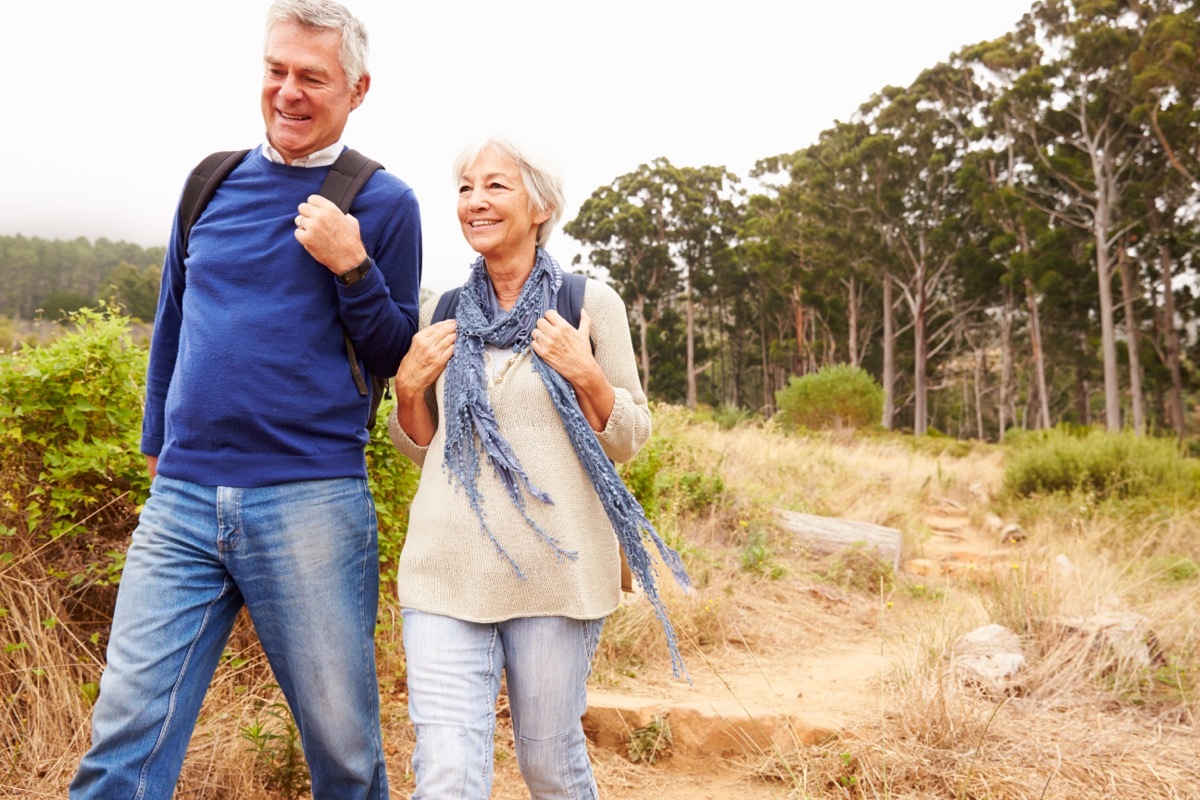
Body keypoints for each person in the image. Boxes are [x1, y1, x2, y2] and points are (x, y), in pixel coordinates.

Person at [70, 1, 421, 798]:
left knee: (345, 755)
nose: (288, 91)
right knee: (122, 741)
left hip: (310, 498)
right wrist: (157, 452)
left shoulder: (384, 201)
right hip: (183, 501)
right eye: (276, 70)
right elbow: (171, 323)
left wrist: (353, 267)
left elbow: (397, 356)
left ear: (357, 89)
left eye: (312, 78)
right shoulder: (210, 182)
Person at [388, 134, 689, 799]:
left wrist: (586, 373)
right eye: (465, 188)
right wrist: (408, 390)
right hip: (445, 574)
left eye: (495, 185)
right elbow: (421, 449)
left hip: (557, 575)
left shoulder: (587, 305)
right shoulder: (443, 311)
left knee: (549, 765)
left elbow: (630, 437)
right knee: (445, 776)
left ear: (541, 206)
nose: (475, 200)